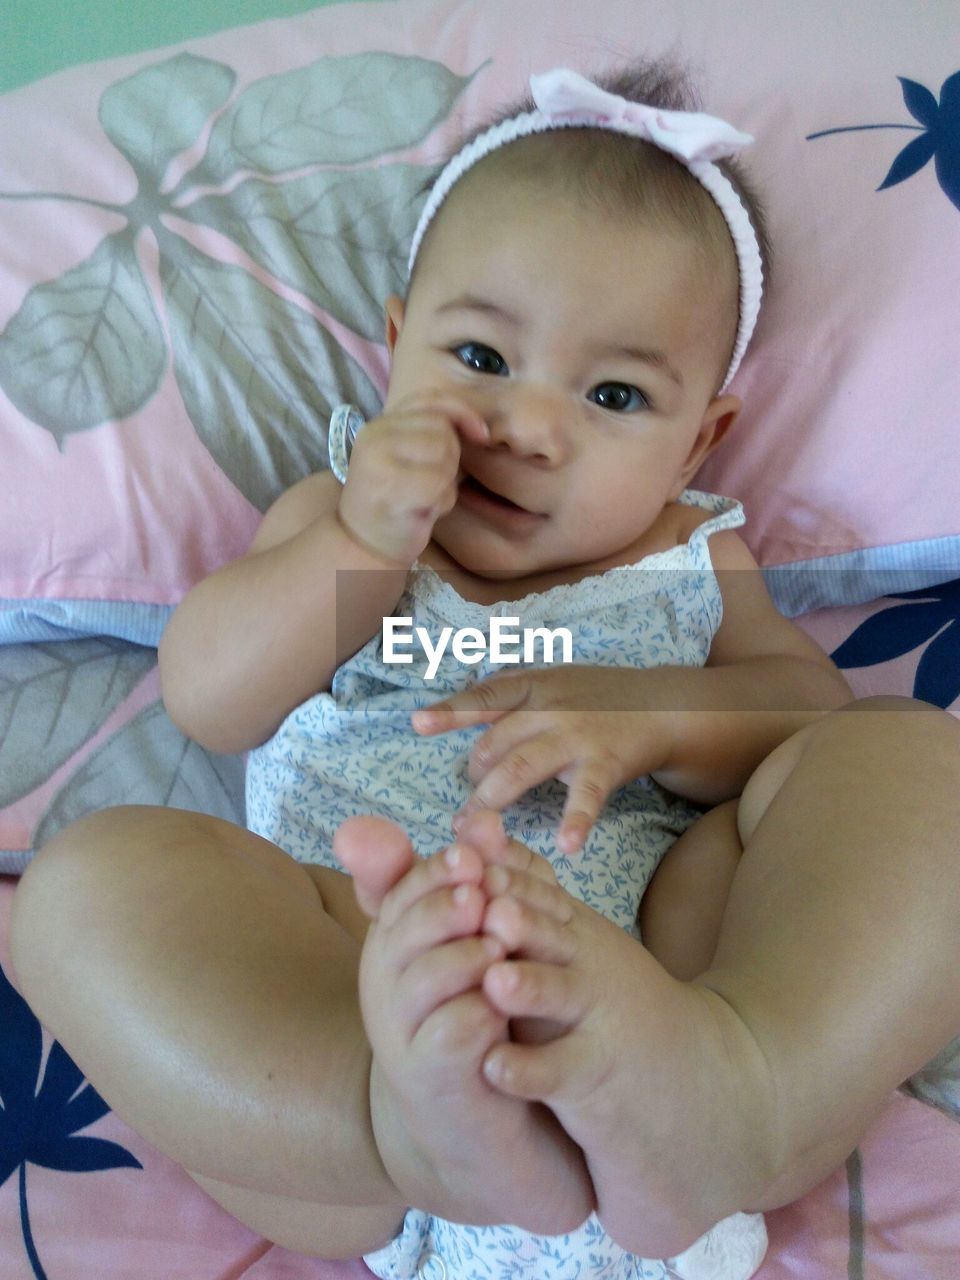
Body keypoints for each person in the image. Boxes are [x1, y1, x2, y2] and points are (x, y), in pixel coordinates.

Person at [10, 61, 960, 1280]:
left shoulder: (690, 553)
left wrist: (661, 714)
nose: (526, 426)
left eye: (615, 392)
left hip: (678, 980)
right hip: (362, 989)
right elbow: (210, 693)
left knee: (904, 759)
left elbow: (809, 711)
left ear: (698, 442)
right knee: (87, 884)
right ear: (399, 345)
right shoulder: (347, 525)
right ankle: (407, 1127)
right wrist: (358, 544)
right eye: (480, 355)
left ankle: (749, 1085)